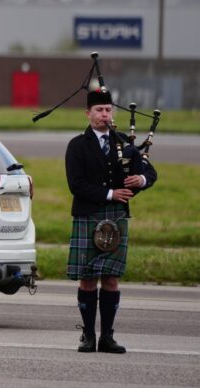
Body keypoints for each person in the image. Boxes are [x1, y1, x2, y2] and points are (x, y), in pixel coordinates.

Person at [66, 90, 157, 354]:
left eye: (108, 110)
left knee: (111, 279)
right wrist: (111, 193)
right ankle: (87, 336)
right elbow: (76, 184)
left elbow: (148, 172)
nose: (104, 115)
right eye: (99, 110)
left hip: (117, 217)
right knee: (86, 279)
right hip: (87, 214)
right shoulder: (77, 145)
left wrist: (140, 181)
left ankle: (107, 337)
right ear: (88, 114)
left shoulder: (124, 144)